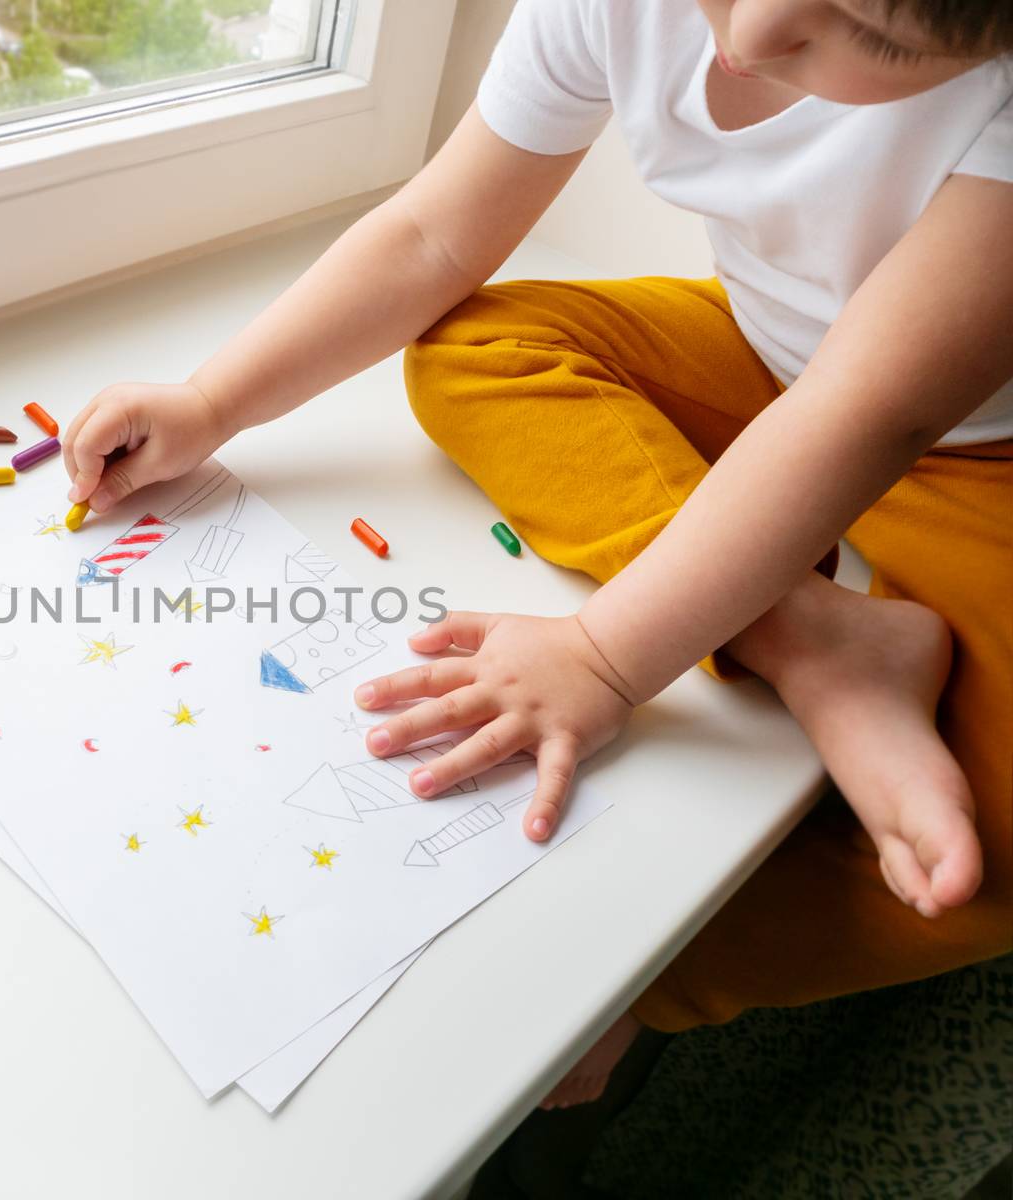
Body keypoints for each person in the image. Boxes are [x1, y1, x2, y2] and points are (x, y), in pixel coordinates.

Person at [60, 0, 1013, 1108]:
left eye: (876, 40)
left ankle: (646, 982)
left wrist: (607, 658)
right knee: (475, 342)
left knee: (985, 846)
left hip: (970, 450)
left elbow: (862, 418)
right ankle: (809, 635)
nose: (750, 39)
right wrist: (211, 399)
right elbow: (434, 239)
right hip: (760, 358)